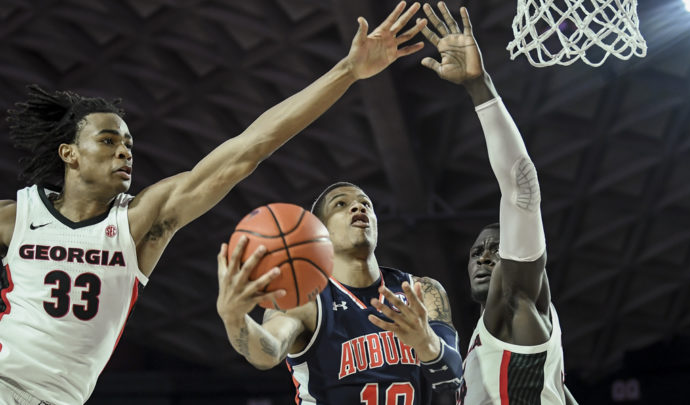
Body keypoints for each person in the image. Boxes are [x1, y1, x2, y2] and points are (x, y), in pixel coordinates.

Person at [0, 2, 428, 404]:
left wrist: (347, 71)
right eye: (109, 141)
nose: (125, 152)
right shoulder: (17, 217)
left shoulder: (141, 220)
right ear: (69, 153)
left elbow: (249, 148)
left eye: (129, 144)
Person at [418, 2, 579, 404]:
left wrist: (479, 86)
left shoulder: (516, 301)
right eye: (476, 251)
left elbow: (520, 190)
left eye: (495, 247)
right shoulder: (489, 340)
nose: (485, 258)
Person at [217, 180, 462, 404]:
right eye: (341, 204)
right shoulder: (304, 299)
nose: (358, 207)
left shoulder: (422, 290)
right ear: (318, 231)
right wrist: (235, 319)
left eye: (366, 203)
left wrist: (426, 343)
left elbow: (452, 380)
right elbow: (267, 354)